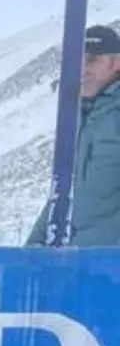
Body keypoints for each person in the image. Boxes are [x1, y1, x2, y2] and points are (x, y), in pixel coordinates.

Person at [27, 23, 120, 246]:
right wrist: (34, 246)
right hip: (75, 263)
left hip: (109, 266)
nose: (82, 69)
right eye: (78, 61)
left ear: (116, 62)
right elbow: (63, 192)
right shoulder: (76, 117)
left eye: (92, 60)